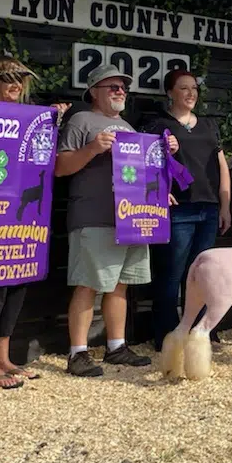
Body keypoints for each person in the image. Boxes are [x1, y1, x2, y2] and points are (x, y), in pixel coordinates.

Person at [55, 63, 177, 377]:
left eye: (122, 87)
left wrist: (162, 181)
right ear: (94, 91)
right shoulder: (81, 120)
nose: (120, 91)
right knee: (88, 285)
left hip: (132, 220)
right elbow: (60, 167)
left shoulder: (129, 127)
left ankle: (116, 346)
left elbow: (143, 174)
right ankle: (78, 353)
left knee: (120, 286)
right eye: (113, 86)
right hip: (94, 216)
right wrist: (93, 148)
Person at [0, 54, 70, 389]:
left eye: (20, 78)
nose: (15, 84)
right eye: (7, 77)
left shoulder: (32, 118)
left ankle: (2, 358)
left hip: (23, 220)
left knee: (18, 281)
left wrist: (56, 119)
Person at [140, 69, 232, 352]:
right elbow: (147, 163)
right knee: (171, 274)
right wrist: (159, 190)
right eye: (184, 88)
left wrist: (225, 205)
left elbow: (221, 164)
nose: (191, 93)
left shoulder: (207, 124)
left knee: (202, 277)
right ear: (170, 93)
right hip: (178, 210)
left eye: (194, 88)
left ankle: (200, 334)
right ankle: (169, 338)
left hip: (208, 208)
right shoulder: (157, 124)